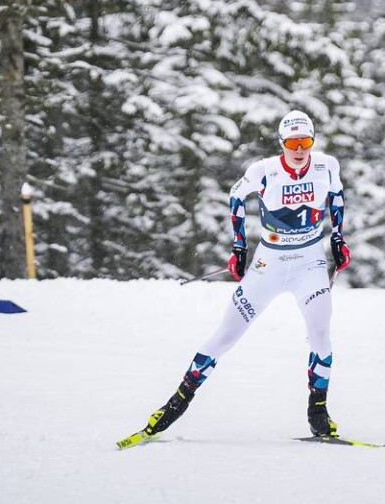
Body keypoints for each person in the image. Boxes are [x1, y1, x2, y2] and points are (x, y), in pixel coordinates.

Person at [136, 109, 351, 440]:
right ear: (282, 144)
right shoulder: (264, 170)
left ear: (312, 142)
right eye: (292, 142)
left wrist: (337, 239)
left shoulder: (327, 166)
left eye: (305, 141)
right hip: (269, 265)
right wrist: (239, 248)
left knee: (321, 332)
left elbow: (336, 196)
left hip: (310, 264)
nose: (299, 150)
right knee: (226, 335)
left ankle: (318, 412)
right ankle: (176, 404)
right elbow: (236, 196)